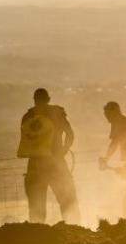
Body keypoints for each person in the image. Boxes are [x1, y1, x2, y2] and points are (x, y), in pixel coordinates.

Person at [18, 88, 80, 224]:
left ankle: (38, 237)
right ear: (48, 99)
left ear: (34, 100)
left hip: (35, 165)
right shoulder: (57, 113)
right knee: (68, 202)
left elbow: (25, 144)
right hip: (56, 163)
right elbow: (70, 135)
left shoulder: (27, 117)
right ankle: (75, 231)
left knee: (36, 208)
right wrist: (62, 151)